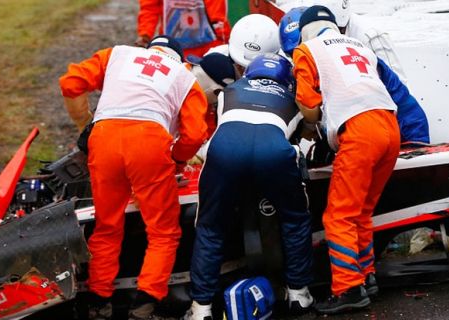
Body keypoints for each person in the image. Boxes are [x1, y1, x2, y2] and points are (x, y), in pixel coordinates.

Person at [59, 35, 208, 320]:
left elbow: (70, 82)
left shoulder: (117, 54)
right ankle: (146, 300)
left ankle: (100, 298)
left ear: (147, 49)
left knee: (106, 226)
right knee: (163, 230)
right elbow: (195, 134)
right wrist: (176, 159)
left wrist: (85, 123)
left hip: (104, 139)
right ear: (180, 58)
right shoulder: (184, 76)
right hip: (149, 143)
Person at [182, 53, 314, 320]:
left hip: (226, 151)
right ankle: (299, 295)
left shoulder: (228, 92)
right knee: (295, 219)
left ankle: (201, 308)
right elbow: (309, 138)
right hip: (273, 152)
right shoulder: (295, 99)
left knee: (210, 227)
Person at [293, 6, 400, 314]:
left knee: (338, 215)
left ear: (305, 31)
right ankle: (367, 276)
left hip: (360, 130)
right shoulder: (360, 47)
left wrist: (313, 124)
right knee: (362, 211)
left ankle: (348, 288)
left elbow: (308, 104)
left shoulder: (306, 50)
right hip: (390, 127)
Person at [278, 5, 429, 144]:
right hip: (369, 128)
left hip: (396, 126)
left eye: (297, 51)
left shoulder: (364, 40)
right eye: (291, 55)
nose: (296, 59)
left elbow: (399, 93)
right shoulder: (328, 54)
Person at [135, 0, 231, 58]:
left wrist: (222, 43)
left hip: (208, 49)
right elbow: (150, 8)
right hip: (172, 50)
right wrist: (145, 35)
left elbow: (218, 17)